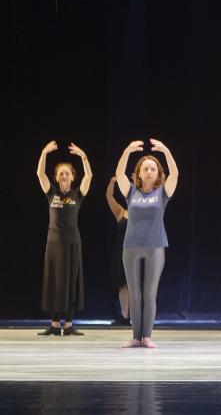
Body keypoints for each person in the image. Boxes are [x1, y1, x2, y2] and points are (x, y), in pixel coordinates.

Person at [116, 139, 179, 348]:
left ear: (158, 173)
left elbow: (175, 175)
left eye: (153, 168)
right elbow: (119, 175)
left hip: (155, 246)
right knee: (135, 294)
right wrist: (127, 151)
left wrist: (166, 151)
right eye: (146, 168)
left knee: (150, 293)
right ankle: (136, 337)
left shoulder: (162, 193)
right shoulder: (131, 192)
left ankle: (148, 337)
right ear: (139, 173)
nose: (150, 171)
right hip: (131, 246)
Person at [36, 141, 92, 337]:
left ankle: (68, 325)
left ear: (72, 177)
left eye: (67, 173)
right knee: (55, 281)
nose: (64, 175)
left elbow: (90, 176)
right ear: (57, 177)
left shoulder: (78, 194)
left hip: (72, 244)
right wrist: (44, 152)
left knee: (70, 282)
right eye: (61, 173)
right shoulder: (51, 193)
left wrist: (83, 156)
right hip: (53, 244)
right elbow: (39, 174)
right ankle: (54, 324)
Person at [105, 176, 130, 326]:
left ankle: (138, 316)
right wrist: (112, 181)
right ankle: (124, 316)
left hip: (139, 251)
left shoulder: (143, 212)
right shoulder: (121, 212)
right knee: (122, 284)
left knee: (136, 285)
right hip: (121, 251)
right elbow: (109, 196)